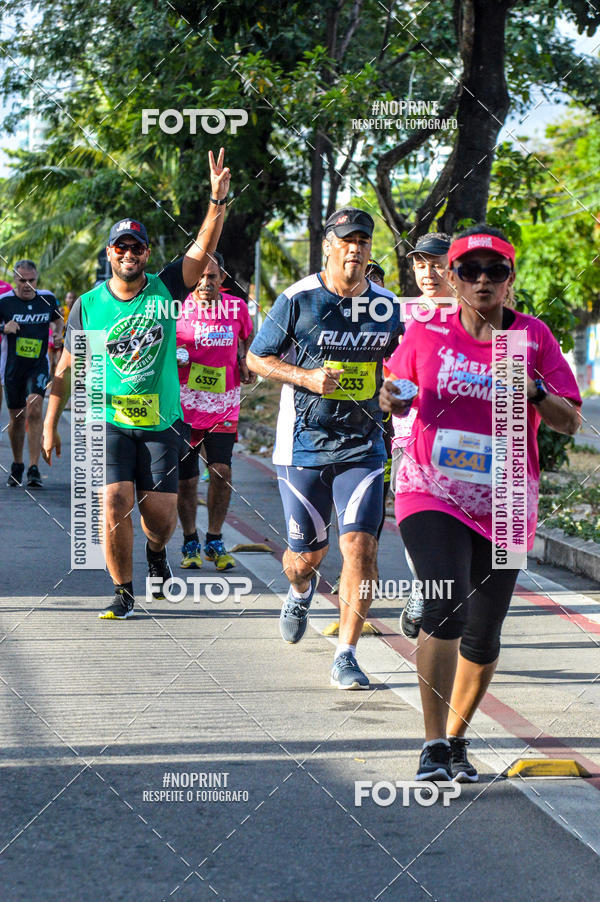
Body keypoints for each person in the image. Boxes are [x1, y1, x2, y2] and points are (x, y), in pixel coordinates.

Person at [379, 223, 581, 782]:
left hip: (510, 499)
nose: (483, 280)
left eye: (495, 271)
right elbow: (394, 395)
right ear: (453, 277)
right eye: (470, 271)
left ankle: (457, 737)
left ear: (510, 280)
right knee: (446, 606)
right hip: (431, 489)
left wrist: (538, 391)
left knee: (484, 632)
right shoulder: (426, 335)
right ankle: (431, 745)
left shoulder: (533, 338)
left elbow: (571, 417)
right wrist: (391, 397)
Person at [42, 148, 231, 619]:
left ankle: (155, 553)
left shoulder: (167, 289)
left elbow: (201, 249)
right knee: (115, 502)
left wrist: (216, 202)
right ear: (109, 253)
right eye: (120, 247)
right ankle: (123, 592)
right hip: (108, 420)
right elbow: (65, 366)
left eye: (137, 247)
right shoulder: (87, 305)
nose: (128, 254)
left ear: (146, 254)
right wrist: (49, 423)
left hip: (163, 421)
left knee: (161, 518)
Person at [248, 207, 403, 689]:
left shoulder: (387, 304)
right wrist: (306, 377)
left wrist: (395, 390)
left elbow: (402, 365)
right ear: (329, 247)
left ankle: (347, 653)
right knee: (304, 559)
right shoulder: (298, 298)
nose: (355, 247)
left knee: (360, 548)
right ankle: (298, 591)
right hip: (303, 446)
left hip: (364, 445)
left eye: (363, 240)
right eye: (346, 240)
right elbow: (256, 358)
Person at [176, 250, 254, 571]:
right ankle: (190, 540)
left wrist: (243, 360)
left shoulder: (236, 307)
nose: (206, 282)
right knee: (187, 479)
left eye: (213, 276)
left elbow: (248, 342)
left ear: (222, 278)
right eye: (201, 276)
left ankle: (215, 538)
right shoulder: (177, 308)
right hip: (183, 405)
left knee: (222, 471)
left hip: (223, 403)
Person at [394, 233, 452, 638]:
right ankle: (422, 588)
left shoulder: (474, 312)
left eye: (436, 264)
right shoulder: (398, 312)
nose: (428, 273)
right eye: (420, 265)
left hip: (462, 440)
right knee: (416, 524)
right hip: (408, 436)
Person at [0, 262, 61, 487]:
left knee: (35, 407)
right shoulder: (5, 302)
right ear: (15, 279)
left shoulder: (47, 299)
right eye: (22, 280)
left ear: (37, 279)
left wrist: (57, 331)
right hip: (12, 367)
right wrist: (4, 328)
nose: (27, 285)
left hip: (38, 365)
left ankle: (34, 467)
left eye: (31, 280)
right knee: (16, 419)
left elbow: (57, 319)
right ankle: (18, 463)